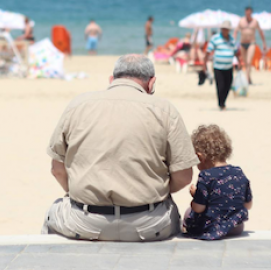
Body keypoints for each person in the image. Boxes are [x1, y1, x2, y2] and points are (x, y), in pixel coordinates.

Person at [43, 54, 197, 242]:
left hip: (85, 221)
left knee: (53, 213)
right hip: (149, 223)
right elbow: (184, 176)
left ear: (111, 80)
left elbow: (57, 169)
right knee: (174, 214)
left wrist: (78, 192)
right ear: (151, 83)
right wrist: (156, 190)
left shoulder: (78, 104)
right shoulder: (165, 110)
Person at [183, 125, 252, 240]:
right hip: (236, 227)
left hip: (212, 226)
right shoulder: (238, 172)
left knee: (188, 213)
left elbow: (198, 208)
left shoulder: (206, 176)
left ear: (200, 157)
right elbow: (248, 205)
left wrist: (196, 196)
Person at [206, 21, 237, 111]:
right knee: (220, 86)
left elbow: (236, 52)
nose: (225, 30)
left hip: (229, 67)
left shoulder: (232, 40)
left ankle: (223, 101)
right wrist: (205, 65)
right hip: (218, 67)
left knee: (228, 85)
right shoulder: (215, 39)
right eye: (223, 29)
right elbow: (208, 51)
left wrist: (239, 63)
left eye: (226, 29)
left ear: (229, 30)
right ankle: (221, 104)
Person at [233, 7, 266, 84]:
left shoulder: (255, 22)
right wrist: (233, 41)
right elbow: (236, 31)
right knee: (245, 63)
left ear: (251, 13)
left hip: (251, 43)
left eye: (249, 13)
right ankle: (249, 78)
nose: (248, 14)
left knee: (248, 61)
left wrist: (264, 43)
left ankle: (247, 80)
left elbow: (261, 32)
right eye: (246, 13)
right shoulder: (241, 21)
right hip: (242, 44)